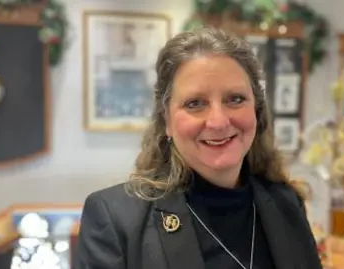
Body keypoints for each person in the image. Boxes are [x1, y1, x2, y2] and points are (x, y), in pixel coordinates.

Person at [73, 27, 322, 269]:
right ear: (167, 121)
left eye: (235, 99)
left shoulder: (287, 203)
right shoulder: (115, 218)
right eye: (195, 103)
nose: (219, 121)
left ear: (256, 109)